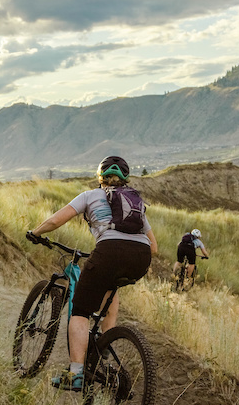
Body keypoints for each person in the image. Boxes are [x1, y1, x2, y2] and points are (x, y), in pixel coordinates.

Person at [27, 156, 158, 391]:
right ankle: (105, 341)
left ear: (100, 177)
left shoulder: (90, 195)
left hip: (109, 251)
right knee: (111, 286)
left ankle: (75, 373)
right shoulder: (134, 203)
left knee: (80, 311)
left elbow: (56, 220)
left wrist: (36, 233)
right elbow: (154, 247)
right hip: (141, 256)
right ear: (125, 179)